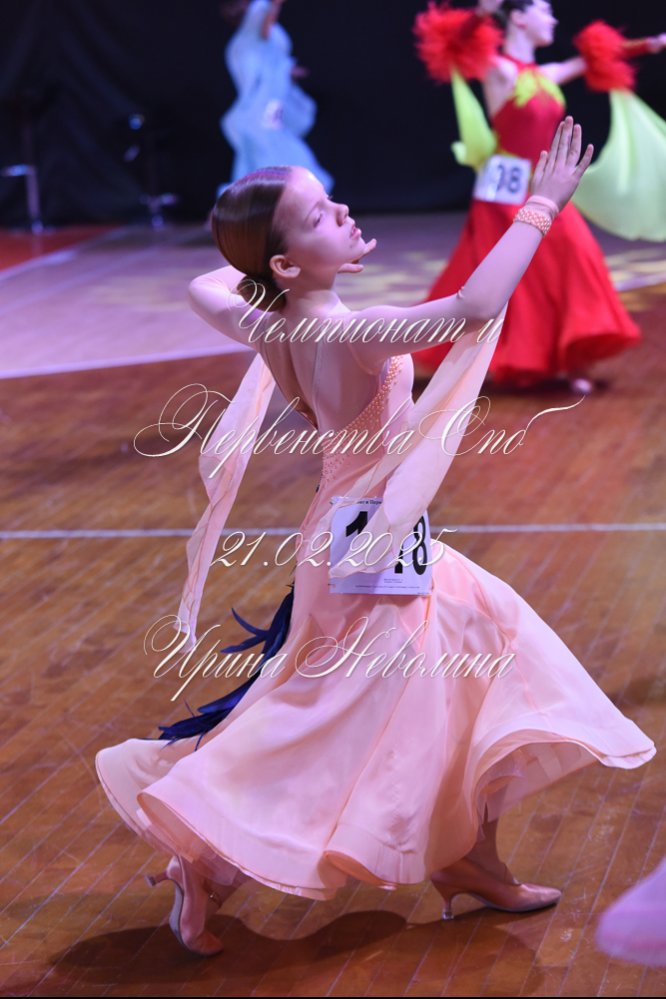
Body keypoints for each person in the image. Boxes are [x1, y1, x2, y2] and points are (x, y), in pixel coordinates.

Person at [95, 118, 656, 957]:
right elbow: (473, 307)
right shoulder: (341, 333)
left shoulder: (275, 324)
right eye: (320, 215)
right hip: (368, 547)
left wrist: (275, 260)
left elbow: (205, 286)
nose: (343, 211)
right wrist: (540, 206)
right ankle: (206, 853)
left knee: (462, 665)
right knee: (338, 717)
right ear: (288, 263)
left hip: (353, 534)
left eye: (329, 202)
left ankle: (469, 860)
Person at [412, 0, 666, 393]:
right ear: (518, 17)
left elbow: (595, 57)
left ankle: (571, 358)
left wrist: (649, 44)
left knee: (575, 256)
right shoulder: (498, 69)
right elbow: (454, 46)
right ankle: (504, 357)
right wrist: (482, 14)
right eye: (544, 11)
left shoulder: (547, 74)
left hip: (544, 185)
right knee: (507, 272)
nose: (553, 19)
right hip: (504, 192)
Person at [218, 0, 333, 197]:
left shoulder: (252, 40)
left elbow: (271, 58)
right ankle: (275, 196)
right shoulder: (250, 35)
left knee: (269, 145)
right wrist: (273, 5)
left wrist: (288, 72)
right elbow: (262, 29)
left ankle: (281, 197)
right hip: (263, 107)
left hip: (271, 104)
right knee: (268, 146)